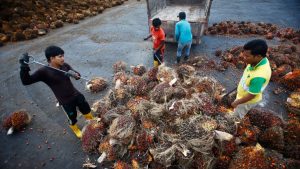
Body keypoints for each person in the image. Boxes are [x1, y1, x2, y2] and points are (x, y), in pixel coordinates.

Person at [19, 46, 94, 138]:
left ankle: (91, 121)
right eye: (60, 56)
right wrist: (24, 67)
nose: (63, 58)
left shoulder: (65, 66)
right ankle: (74, 128)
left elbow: (78, 76)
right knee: (72, 117)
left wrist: (75, 75)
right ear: (52, 58)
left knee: (85, 108)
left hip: (76, 94)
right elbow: (26, 81)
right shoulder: (43, 72)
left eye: (63, 56)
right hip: (65, 101)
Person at [231, 39, 271, 119]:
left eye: (247, 56)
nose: (243, 58)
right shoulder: (256, 61)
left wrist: (237, 102)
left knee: (237, 115)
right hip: (243, 94)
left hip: (246, 101)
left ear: (258, 56)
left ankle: (235, 123)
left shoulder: (259, 76)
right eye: (244, 54)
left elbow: (251, 95)